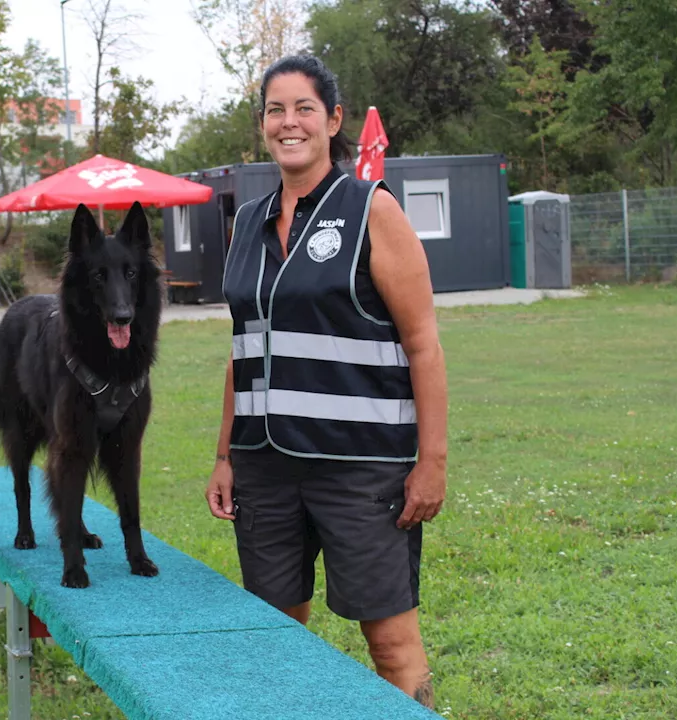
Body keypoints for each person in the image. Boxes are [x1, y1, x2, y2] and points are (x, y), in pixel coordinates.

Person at [205, 53, 447, 709]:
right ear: (262, 124)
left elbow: (423, 344)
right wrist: (226, 454)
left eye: (304, 108)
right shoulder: (247, 224)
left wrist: (432, 462)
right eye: (276, 110)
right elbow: (243, 348)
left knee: (392, 646)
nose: (290, 123)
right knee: (276, 640)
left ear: (332, 119)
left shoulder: (373, 210)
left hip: (361, 468)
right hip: (264, 468)